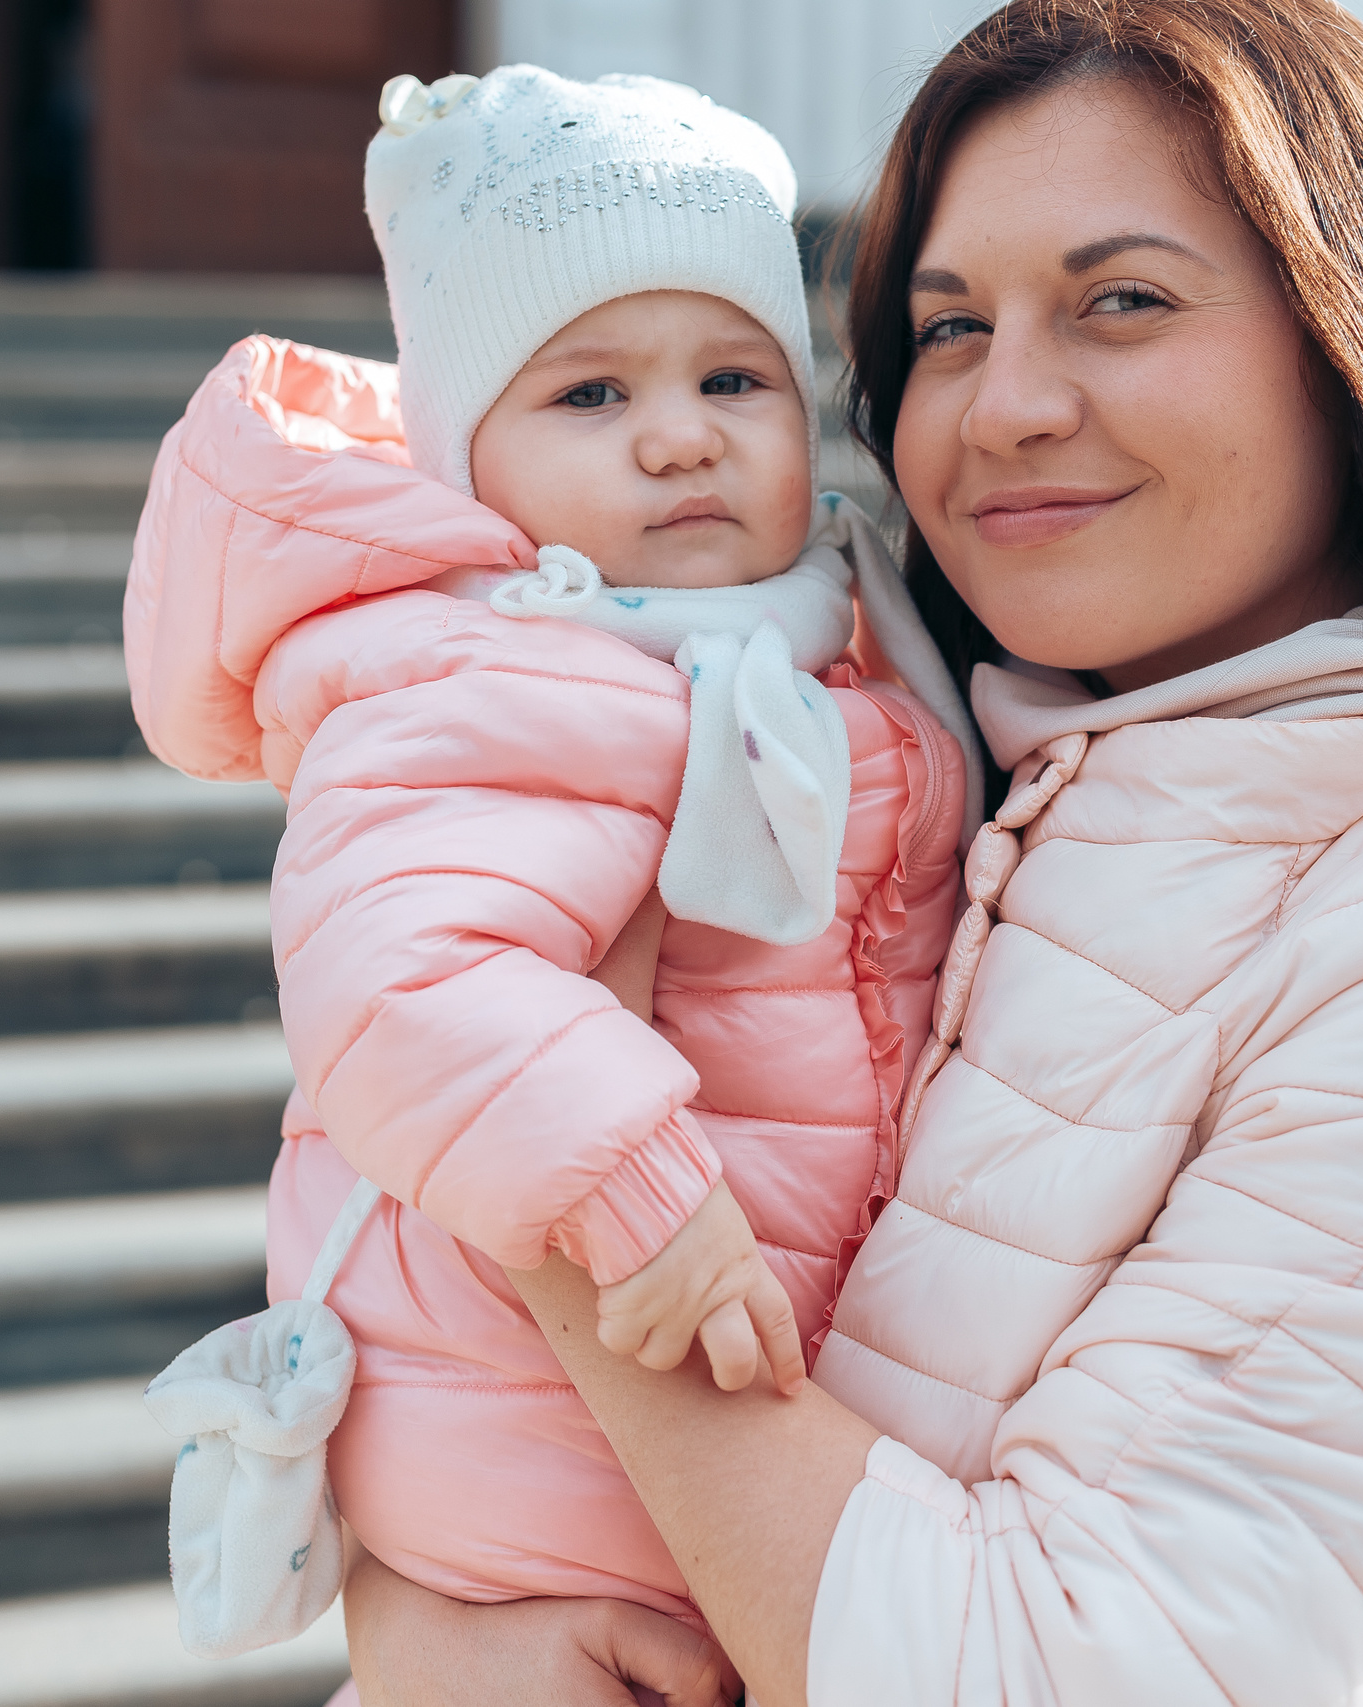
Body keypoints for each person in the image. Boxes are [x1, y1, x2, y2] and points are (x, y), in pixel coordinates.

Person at [339, 3, 1363, 1704]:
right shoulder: (945, 780)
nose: (1005, 404)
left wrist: (569, 1205)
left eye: (1122, 302)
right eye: (948, 328)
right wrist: (422, 1606)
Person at [122, 64, 974, 1636]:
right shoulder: (489, 673)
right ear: (467, 459)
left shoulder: (807, 648)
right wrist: (638, 1189)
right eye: (590, 395)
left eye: (734, 382)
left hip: (719, 1426)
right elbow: (401, 976)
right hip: (553, 1426)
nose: (678, 442)